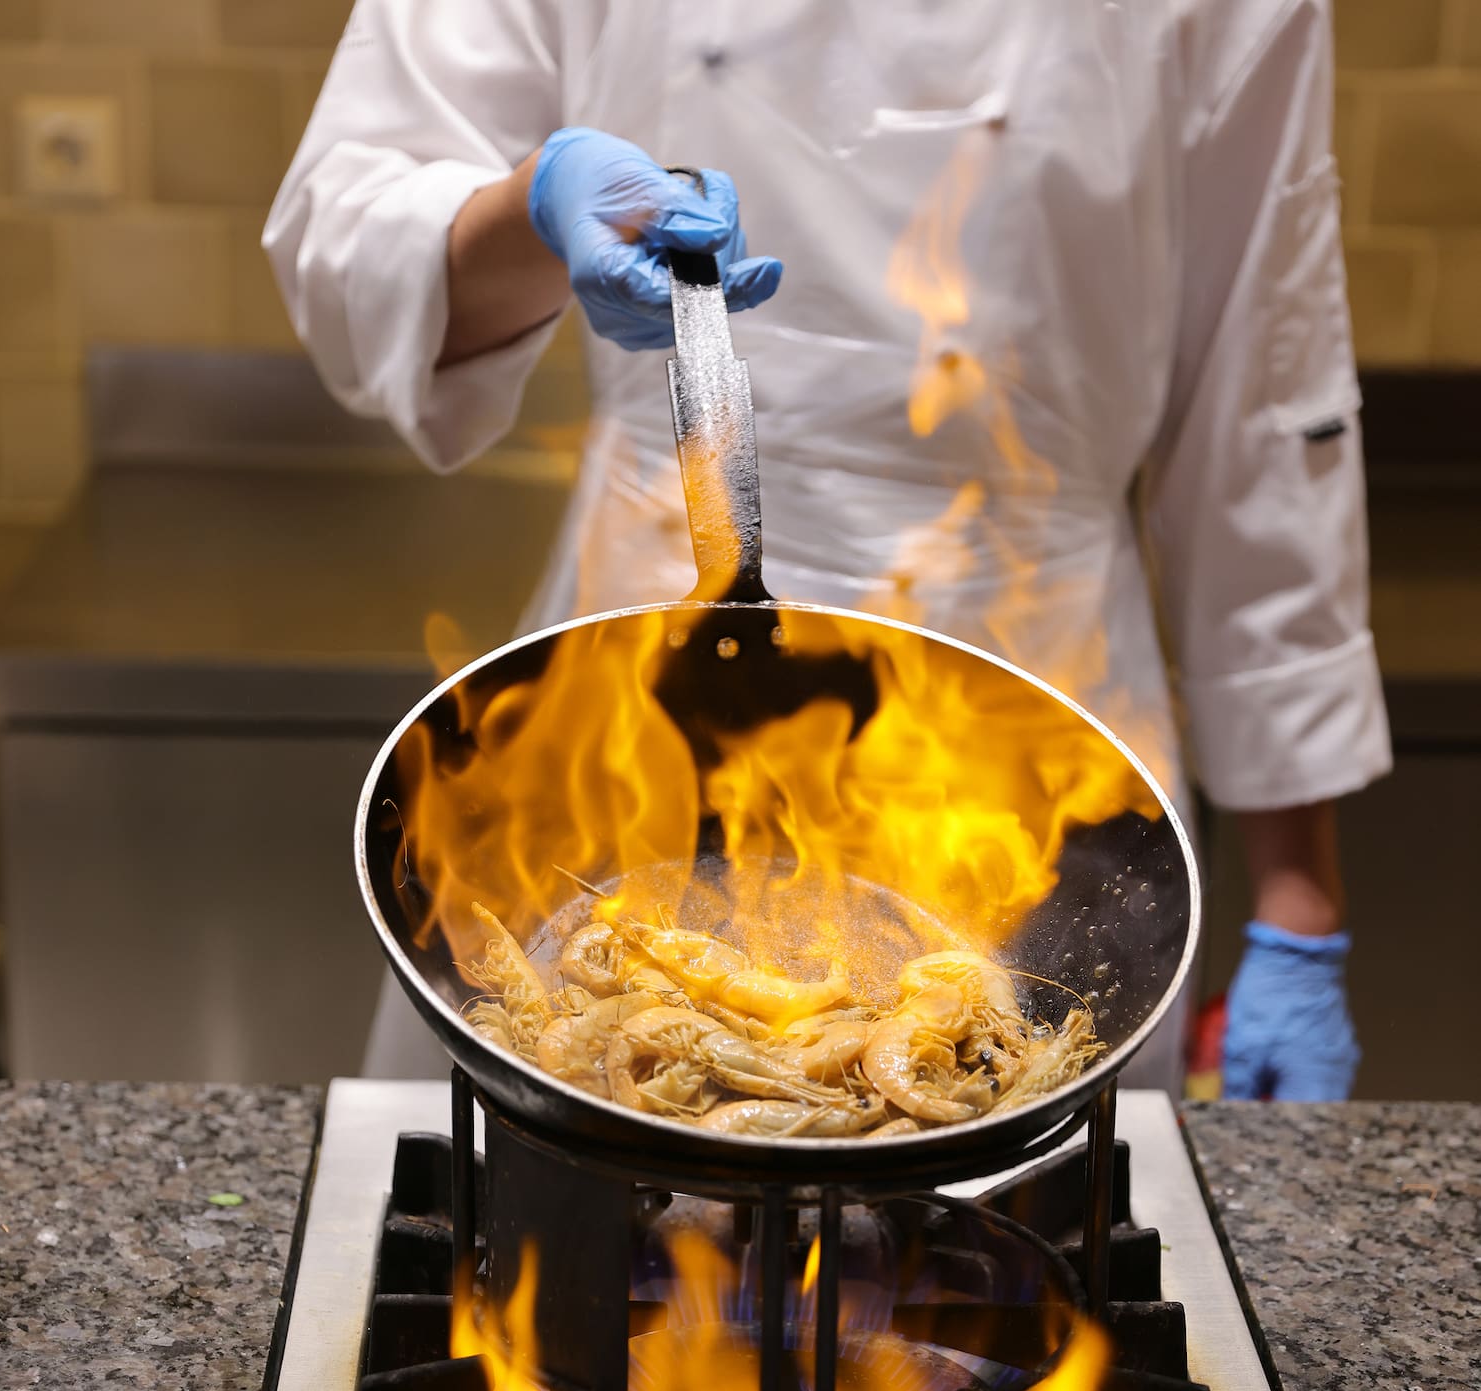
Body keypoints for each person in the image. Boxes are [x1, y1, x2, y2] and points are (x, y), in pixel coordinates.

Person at [265, 0, 1390, 1100]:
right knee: (568, 1129)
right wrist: (533, 210)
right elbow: (350, 238)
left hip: (1032, 684)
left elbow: (1265, 376)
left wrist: (1300, 904)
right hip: (639, 665)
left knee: (1014, 1158)